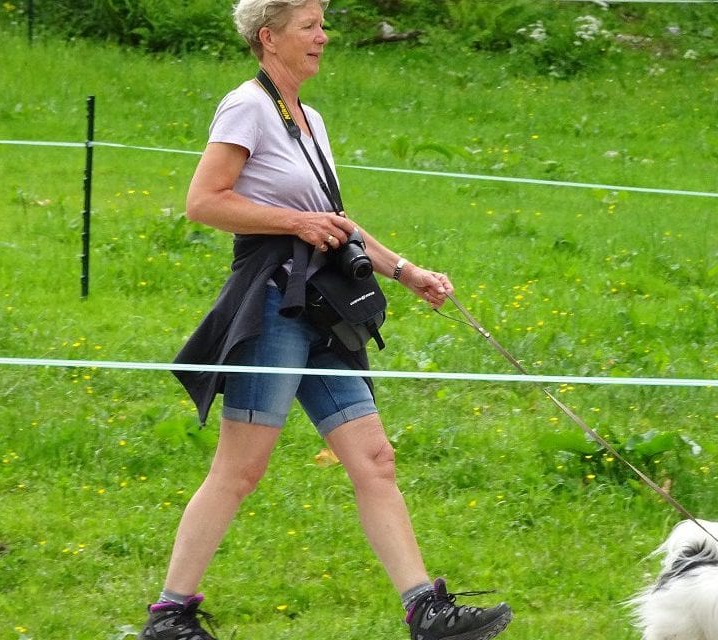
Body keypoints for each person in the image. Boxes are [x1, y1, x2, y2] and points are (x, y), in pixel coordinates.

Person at [139, 1, 514, 640]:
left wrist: (406, 270)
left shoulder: (309, 118)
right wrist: (294, 223)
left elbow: (334, 220)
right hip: (276, 305)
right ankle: (170, 615)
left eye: (322, 24)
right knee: (241, 468)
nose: (323, 36)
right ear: (269, 38)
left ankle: (425, 609)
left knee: (374, 459)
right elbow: (204, 202)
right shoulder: (246, 107)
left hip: (325, 308)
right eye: (309, 26)